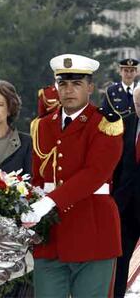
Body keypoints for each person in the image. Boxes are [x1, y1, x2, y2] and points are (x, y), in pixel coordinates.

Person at [21, 54, 124, 297]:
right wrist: (28, 205)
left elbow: (95, 174)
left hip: (93, 232)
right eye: (63, 84)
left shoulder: (105, 124)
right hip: (51, 236)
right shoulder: (43, 125)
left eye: (76, 84)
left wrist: (48, 201)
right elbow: (38, 176)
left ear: (90, 87)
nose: (68, 90)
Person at [111, 86, 140, 297]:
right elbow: (115, 166)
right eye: (138, 104)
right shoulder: (125, 125)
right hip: (126, 209)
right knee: (120, 265)